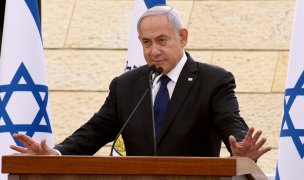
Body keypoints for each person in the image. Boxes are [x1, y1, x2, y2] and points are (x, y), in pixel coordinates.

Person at [10, 5, 271, 161]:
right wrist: (55, 155)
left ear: (182, 37)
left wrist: (240, 149)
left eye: (162, 40)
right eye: (146, 42)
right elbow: (93, 132)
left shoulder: (214, 81)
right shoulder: (125, 86)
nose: (153, 50)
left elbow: (231, 123)